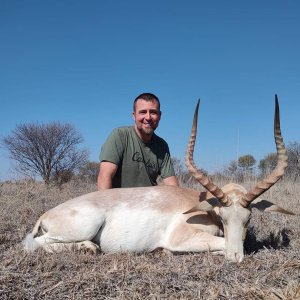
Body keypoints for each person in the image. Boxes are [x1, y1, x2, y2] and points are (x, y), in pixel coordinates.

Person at [98, 93, 179, 189]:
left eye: (153, 112)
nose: (148, 117)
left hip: (148, 201)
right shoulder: (120, 135)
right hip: (118, 201)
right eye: (143, 112)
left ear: (159, 116)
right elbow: (105, 176)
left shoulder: (162, 145)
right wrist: (109, 204)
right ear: (134, 115)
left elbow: (173, 186)